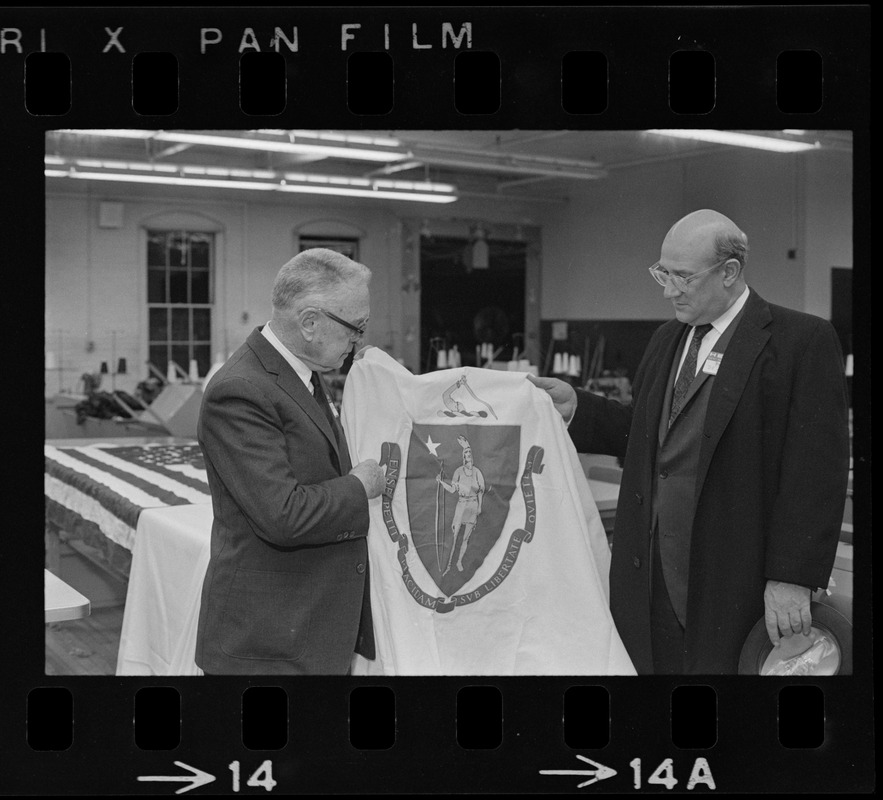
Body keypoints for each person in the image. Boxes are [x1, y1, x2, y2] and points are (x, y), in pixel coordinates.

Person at [529, 209, 850, 674]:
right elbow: (646, 433)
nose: (667, 290)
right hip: (649, 576)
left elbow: (815, 473)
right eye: (662, 273)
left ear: (729, 273)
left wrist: (793, 577)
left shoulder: (801, 341)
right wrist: (578, 407)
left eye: (682, 277)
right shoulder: (666, 339)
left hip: (733, 579)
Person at [195, 248, 386, 675]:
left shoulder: (305, 373)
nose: (359, 340)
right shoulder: (241, 390)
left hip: (307, 630)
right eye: (356, 327)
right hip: (267, 645)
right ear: (310, 322)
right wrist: (360, 486)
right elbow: (284, 515)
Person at [437, 435, 486, 573]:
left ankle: (459, 562)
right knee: (454, 536)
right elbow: (452, 489)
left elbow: (481, 491)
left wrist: (480, 507)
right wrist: (441, 483)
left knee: (465, 538)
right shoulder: (458, 471)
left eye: (470, 452)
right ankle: (448, 565)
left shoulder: (477, 472)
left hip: (473, 505)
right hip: (461, 505)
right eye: (466, 453)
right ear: (463, 456)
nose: (468, 455)